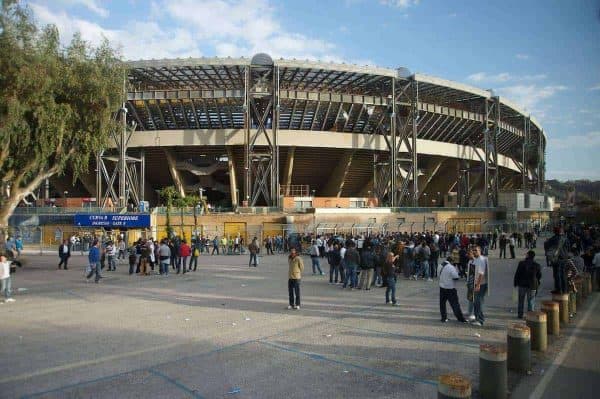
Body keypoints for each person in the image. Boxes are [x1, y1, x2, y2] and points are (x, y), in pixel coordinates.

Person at [513, 250, 542, 319]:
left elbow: (517, 274)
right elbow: (539, 276)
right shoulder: (537, 265)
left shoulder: (521, 263)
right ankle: (530, 315)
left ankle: (520, 315)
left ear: (528, 255)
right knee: (531, 301)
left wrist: (515, 283)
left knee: (521, 300)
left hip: (522, 284)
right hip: (532, 285)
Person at [439, 257, 467, 323]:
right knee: (455, 304)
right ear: (451, 261)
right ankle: (460, 318)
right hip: (450, 288)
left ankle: (444, 318)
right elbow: (455, 277)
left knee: (442, 304)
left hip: (442, 287)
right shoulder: (451, 267)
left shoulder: (440, 265)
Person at [544, 227, 570, 294]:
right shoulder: (565, 239)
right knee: (564, 274)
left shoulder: (552, 239)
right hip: (564, 259)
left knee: (557, 275)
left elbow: (547, 248)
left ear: (555, 232)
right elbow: (568, 248)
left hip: (556, 259)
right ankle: (565, 290)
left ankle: (559, 289)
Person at [472, 246, 489, 326]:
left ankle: (480, 320)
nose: (474, 252)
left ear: (480, 251)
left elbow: (481, 274)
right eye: (473, 250)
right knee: (475, 302)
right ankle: (476, 318)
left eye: (476, 250)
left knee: (479, 302)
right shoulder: (476, 260)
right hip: (475, 283)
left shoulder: (481, 260)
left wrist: (478, 285)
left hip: (481, 284)